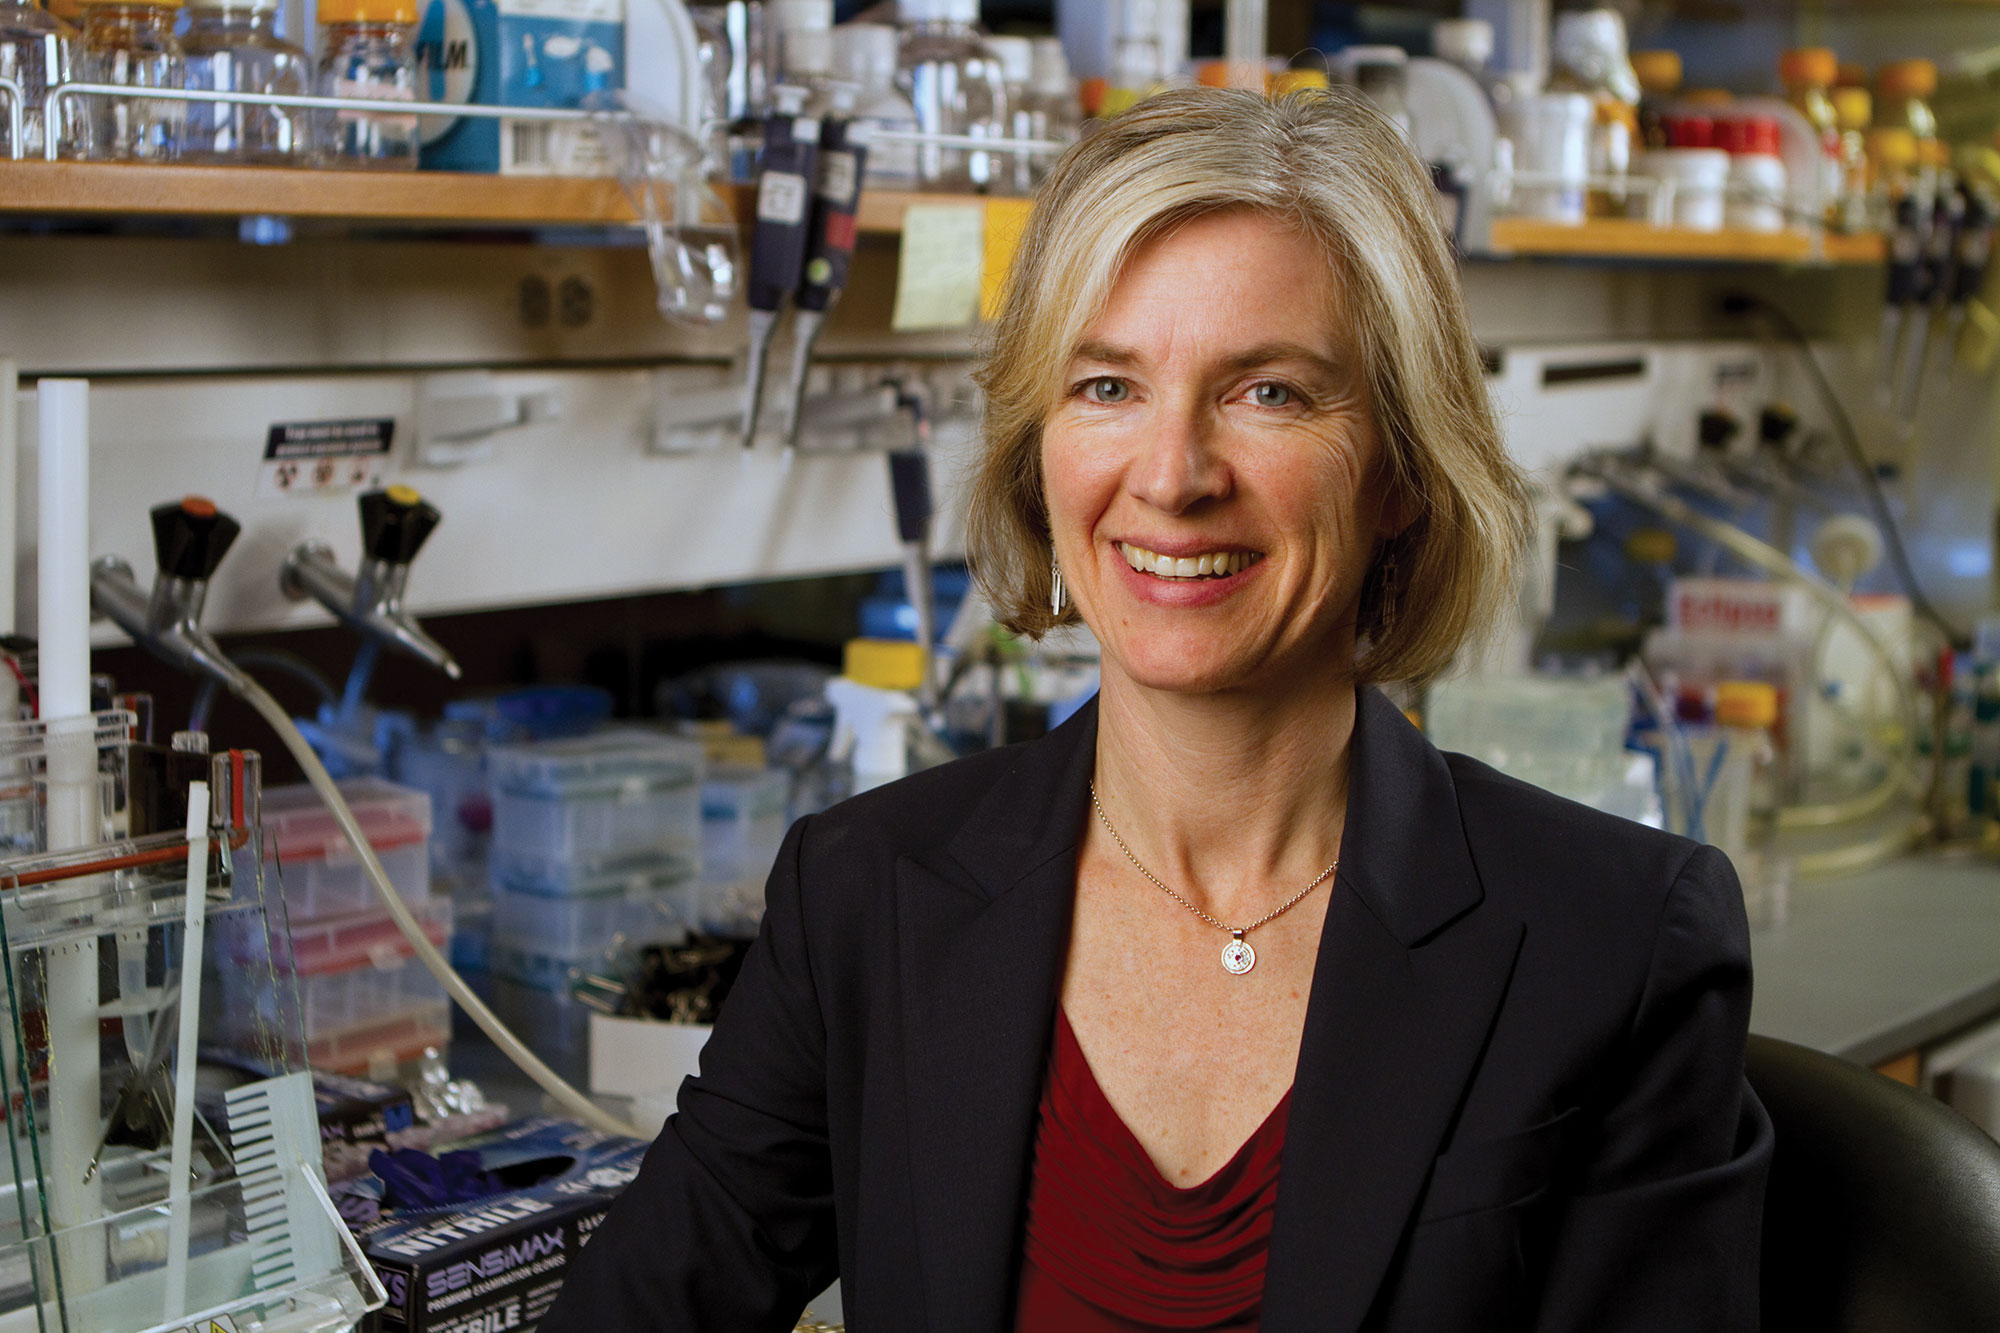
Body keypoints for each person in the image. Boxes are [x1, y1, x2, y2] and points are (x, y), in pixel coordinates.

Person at [540, 87, 1770, 1333]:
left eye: (1269, 393)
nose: (1172, 476)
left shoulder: (1612, 942)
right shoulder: (867, 895)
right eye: (1107, 386)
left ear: (1401, 466)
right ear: (1038, 446)